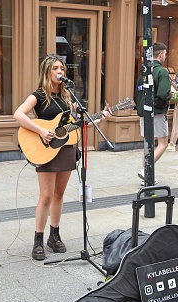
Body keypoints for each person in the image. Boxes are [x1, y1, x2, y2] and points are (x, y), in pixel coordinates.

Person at [14, 54, 110, 261]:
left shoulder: (68, 97)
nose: (60, 72)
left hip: (66, 148)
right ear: (47, 71)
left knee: (59, 194)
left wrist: (100, 119)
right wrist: (40, 130)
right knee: (46, 196)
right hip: (46, 149)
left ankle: (54, 235)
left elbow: (78, 124)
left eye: (63, 69)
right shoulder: (38, 95)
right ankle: (38, 240)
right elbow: (18, 114)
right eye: (56, 68)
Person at [136, 42, 171, 184]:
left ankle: (146, 174)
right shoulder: (161, 71)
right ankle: (146, 170)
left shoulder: (144, 70)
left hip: (143, 111)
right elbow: (164, 93)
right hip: (156, 112)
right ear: (161, 53)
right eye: (165, 54)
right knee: (163, 143)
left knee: (148, 143)